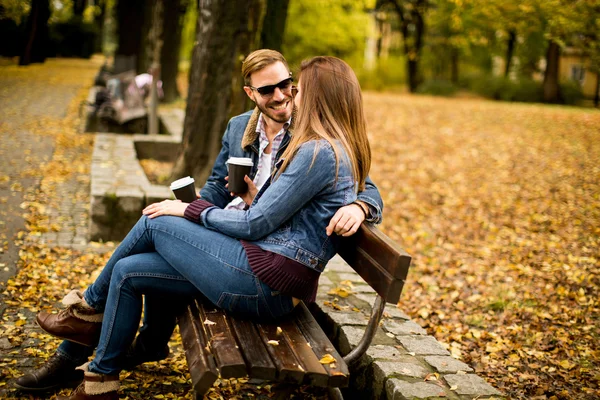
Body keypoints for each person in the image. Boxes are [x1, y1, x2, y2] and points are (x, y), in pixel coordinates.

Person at [14, 50, 383, 394]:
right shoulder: (241, 128)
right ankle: (97, 374)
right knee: (128, 269)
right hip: (238, 246)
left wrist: (362, 206)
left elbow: (359, 180)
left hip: (256, 258)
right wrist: (192, 209)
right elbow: (216, 192)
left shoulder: (314, 138)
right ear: (251, 93)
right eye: (268, 89)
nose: (282, 96)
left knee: (154, 223)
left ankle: (87, 313)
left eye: (289, 85)